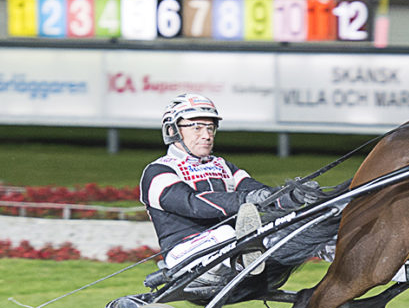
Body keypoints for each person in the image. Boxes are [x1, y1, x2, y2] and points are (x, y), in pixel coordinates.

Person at [140, 92, 343, 293]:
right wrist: (246, 200)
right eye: (197, 127)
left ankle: (341, 256)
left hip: (233, 245)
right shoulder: (158, 171)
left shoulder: (222, 166)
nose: (207, 135)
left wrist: (292, 196)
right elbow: (192, 204)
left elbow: (258, 192)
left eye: (210, 128)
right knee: (227, 234)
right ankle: (246, 260)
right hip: (184, 255)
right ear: (172, 130)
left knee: (302, 224)